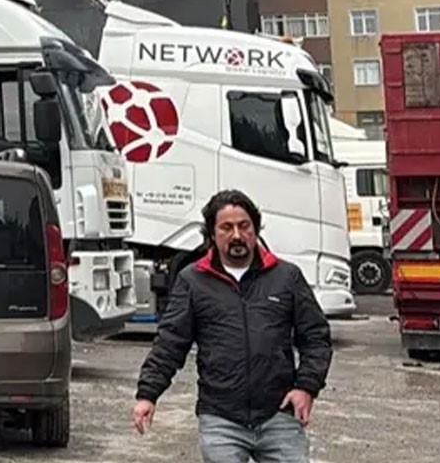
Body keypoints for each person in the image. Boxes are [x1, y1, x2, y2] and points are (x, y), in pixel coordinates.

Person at [132, 189, 333, 463]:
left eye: (244, 226)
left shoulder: (286, 277)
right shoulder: (193, 281)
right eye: (226, 228)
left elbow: (316, 338)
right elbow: (170, 343)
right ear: (212, 234)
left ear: (256, 229)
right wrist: (148, 394)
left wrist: (306, 387)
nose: (237, 235)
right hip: (221, 418)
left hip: (279, 414)